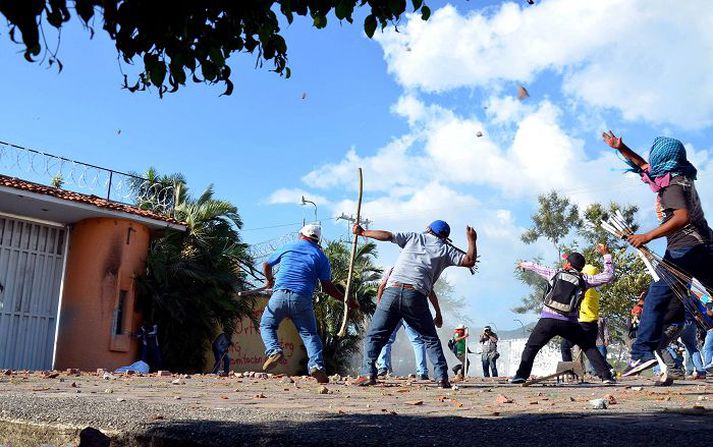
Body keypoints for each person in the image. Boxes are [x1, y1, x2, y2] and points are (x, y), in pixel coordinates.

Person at [603, 132, 713, 380]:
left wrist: (646, 236)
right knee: (658, 298)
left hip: (685, 250)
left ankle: (642, 353)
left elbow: (681, 217)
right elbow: (643, 166)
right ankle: (643, 353)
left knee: (655, 299)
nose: (649, 163)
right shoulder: (676, 177)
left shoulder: (672, 186)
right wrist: (621, 147)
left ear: (663, 158)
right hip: (698, 246)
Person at [351, 220, 478, 388]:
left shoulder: (413, 237)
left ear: (428, 229)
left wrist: (363, 233)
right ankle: (441, 377)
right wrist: (472, 240)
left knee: (375, 335)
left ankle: (368, 373)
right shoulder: (446, 250)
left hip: (392, 291)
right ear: (446, 237)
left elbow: (388, 236)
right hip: (416, 295)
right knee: (430, 339)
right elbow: (469, 260)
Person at [260, 224, 356, 384]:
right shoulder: (320, 256)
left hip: (279, 295)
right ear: (317, 240)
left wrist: (269, 280)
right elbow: (327, 287)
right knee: (310, 335)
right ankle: (316, 365)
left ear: (301, 235)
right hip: (302, 298)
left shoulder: (288, 246)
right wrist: (346, 300)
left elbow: (266, 264)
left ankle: (274, 350)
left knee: (267, 325)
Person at [510, 244, 617, 384]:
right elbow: (608, 276)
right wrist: (606, 255)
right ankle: (606, 377)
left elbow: (536, 267)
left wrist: (523, 264)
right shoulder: (584, 279)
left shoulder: (554, 273)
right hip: (569, 322)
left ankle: (521, 376)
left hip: (547, 320)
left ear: (568, 264)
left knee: (531, 346)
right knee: (588, 346)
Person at [375, 267, 444, 380]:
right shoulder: (420, 270)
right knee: (417, 340)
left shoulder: (394, 269)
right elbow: (430, 292)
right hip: (410, 306)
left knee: (387, 339)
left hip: (394, 306)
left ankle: (382, 368)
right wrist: (438, 312)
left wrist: (380, 306)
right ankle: (422, 372)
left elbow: (382, 285)